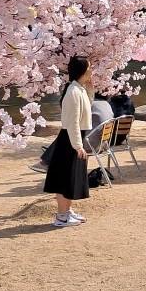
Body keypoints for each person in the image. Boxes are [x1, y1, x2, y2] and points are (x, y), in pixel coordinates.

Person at [43, 56, 92, 227]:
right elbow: (72, 122)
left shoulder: (79, 89)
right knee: (64, 179)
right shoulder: (73, 91)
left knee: (71, 179)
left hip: (73, 139)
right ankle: (61, 216)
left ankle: (66, 212)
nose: (91, 71)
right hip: (69, 141)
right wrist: (78, 145)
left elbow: (82, 116)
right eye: (89, 68)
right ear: (83, 71)